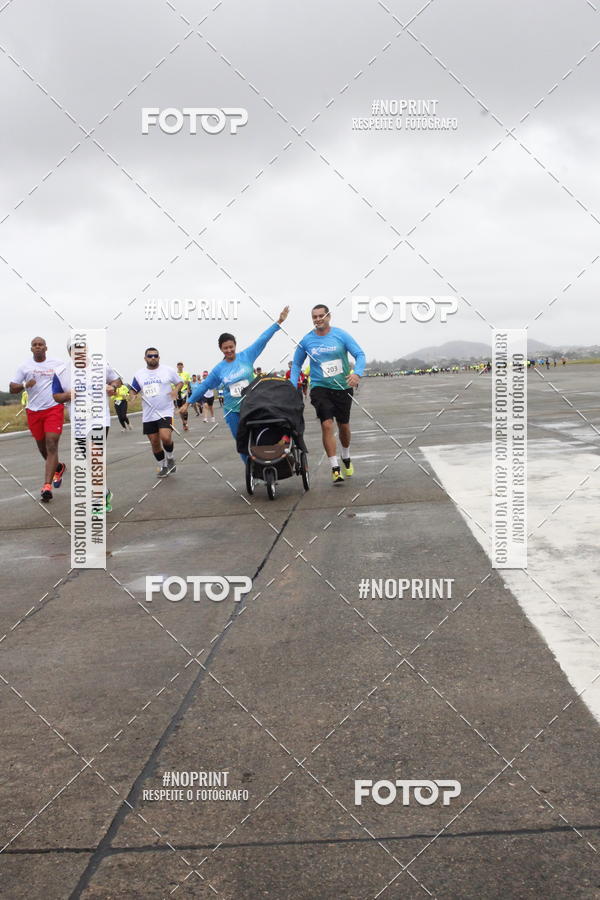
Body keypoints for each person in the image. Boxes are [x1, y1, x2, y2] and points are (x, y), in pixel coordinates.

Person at [185, 307, 289, 460]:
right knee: (242, 442)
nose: (229, 350)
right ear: (221, 349)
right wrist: (188, 402)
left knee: (261, 435)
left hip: (253, 405)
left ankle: (266, 462)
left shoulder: (247, 356)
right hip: (232, 410)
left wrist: (279, 321)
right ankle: (252, 471)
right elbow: (204, 386)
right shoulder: (219, 369)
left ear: (235, 345)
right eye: (225, 348)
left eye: (231, 347)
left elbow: (263, 338)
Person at [290, 305, 365, 485]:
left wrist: (357, 373)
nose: (318, 319)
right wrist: (293, 386)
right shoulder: (307, 340)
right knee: (327, 424)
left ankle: (345, 456)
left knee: (344, 426)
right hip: (320, 387)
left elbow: (359, 354)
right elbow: (296, 365)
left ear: (329, 316)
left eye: (321, 316)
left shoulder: (341, 335)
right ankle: (335, 468)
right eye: (314, 317)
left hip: (342, 386)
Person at [52, 343, 121, 513]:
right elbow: (56, 396)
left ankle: (97, 501)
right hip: (79, 422)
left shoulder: (101, 365)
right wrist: (67, 395)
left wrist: (112, 386)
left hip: (99, 419)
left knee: (95, 455)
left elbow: (118, 379)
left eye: (81, 349)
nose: (79, 353)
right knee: (91, 461)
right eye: (74, 350)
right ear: (69, 352)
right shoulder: (61, 372)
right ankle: (104, 492)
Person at [9, 337, 67, 503]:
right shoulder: (25, 366)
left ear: (46, 348)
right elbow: (12, 388)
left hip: (53, 408)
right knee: (43, 448)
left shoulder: (57, 363)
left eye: (40, 344)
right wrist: (25, 385)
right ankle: (58, 467)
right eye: (35, 345)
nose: (38, 347)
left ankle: (46, 487)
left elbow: (69, 378)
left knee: (51, 444)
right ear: (31, 349)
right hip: (34, 411)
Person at [130, 348, 183, 478]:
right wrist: (132, 395)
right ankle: (163, 466)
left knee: (165, 437)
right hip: (148, 414)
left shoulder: (168, 370)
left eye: (155, 356)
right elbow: (133, 389)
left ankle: (170, 457)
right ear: (145, 358)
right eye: (150, 356)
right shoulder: (139, 374)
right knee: (154, 442)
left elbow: (180, 382)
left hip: (165, 410)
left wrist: (176, 390)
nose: (153, 358)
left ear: (159, 357)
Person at [175, 362, 192, 431]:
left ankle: (186, 422)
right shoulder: (175, 374)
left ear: (183, 366)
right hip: (177, 392)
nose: (180, 366)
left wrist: (188, 389)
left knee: (184, 407)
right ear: (177, 366)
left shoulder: (186, 374)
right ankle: (183, 422)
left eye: (181, 365)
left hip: (184, 391)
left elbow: (188, 382)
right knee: (180, 409)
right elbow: (172, 384)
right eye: (178, 365)